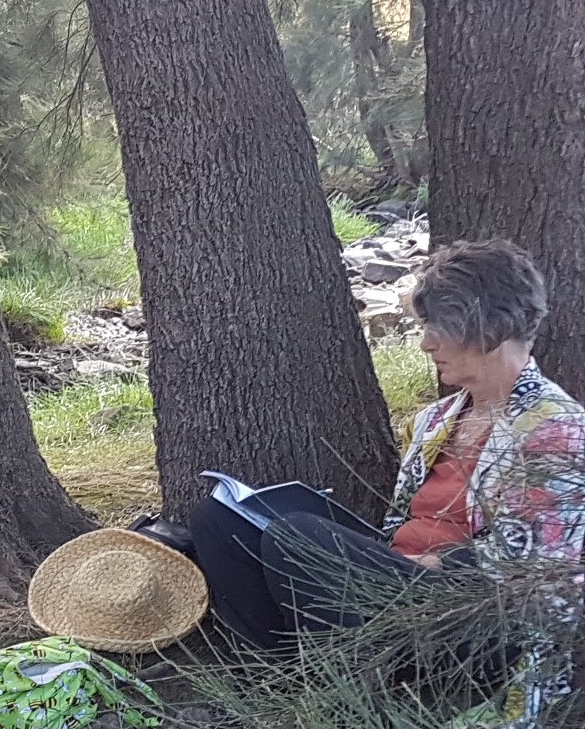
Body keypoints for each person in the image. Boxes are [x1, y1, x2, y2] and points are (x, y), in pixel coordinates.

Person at [191, 239, 585, 645]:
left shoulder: (557, 427)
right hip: (400, 577)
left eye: (440, 327)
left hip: (474, 614)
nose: (426, 344)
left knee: (298, 537)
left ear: (489, 326)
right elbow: (399, 527)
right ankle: (281, 680)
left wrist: (427, 564)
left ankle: (339, 680)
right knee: (221, 521)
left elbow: (537, 564)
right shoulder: (436, 419)